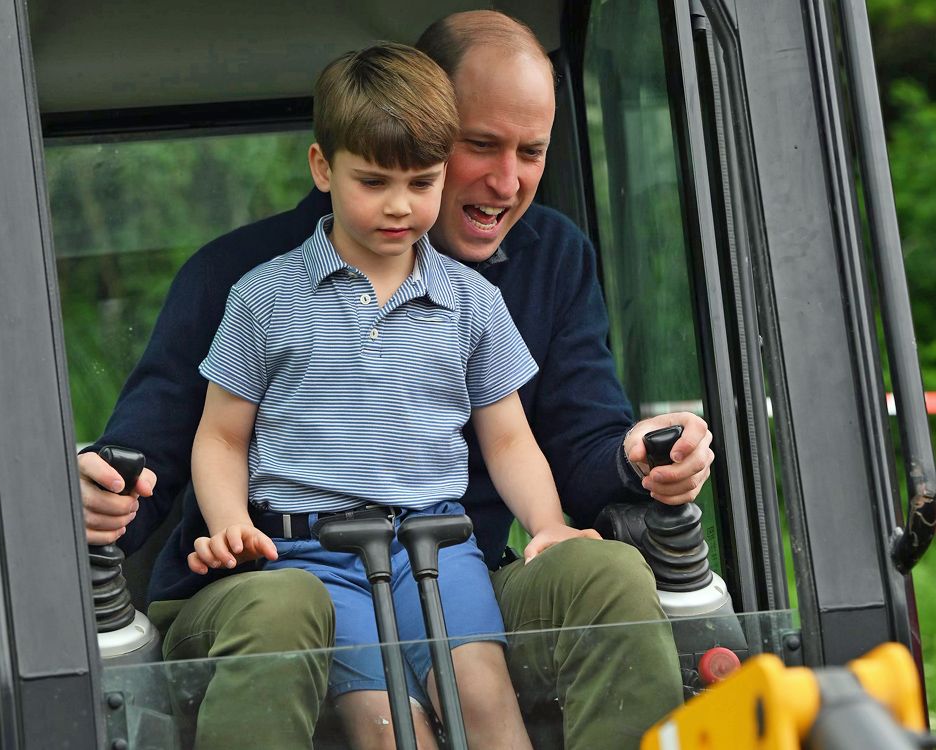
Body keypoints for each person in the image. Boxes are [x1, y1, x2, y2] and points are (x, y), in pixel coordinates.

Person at [79, 10, 714, 750]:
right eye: (482, 145)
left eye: (532, 152)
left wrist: (633, 459)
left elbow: (561, 442)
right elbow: (161, 451)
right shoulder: (248, 284)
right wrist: (109, 495)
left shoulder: (541, 265)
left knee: (606, 578)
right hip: (289, 572)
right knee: (301, 626)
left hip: (453, 564)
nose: (507, 181)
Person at [188, 42, 600, 749]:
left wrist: (548, 525)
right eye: (374, 181)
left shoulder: (471, 301)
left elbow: (507, 439)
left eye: (422, 182)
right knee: (386, 729)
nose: (400, 206)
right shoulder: (262, 297)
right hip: (313, 555)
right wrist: (230, 523)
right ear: (323, 168)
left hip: (438, 544)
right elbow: (222, 436)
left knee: (486, 707)